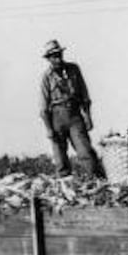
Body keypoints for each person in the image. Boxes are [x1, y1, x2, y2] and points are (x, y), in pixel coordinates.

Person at [39, 38, 103, 178]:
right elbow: (43, 108)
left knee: (85, 151)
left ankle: (95, 179)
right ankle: (64, 183)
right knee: (60, 156)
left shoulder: (74, 69)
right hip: (56, 117)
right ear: (49, 59)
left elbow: (84, 96)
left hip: (74, 115)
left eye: (59, 54)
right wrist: (49, 129)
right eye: (54, 56)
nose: (58, 58)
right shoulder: (46, 77)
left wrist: (88, 116)